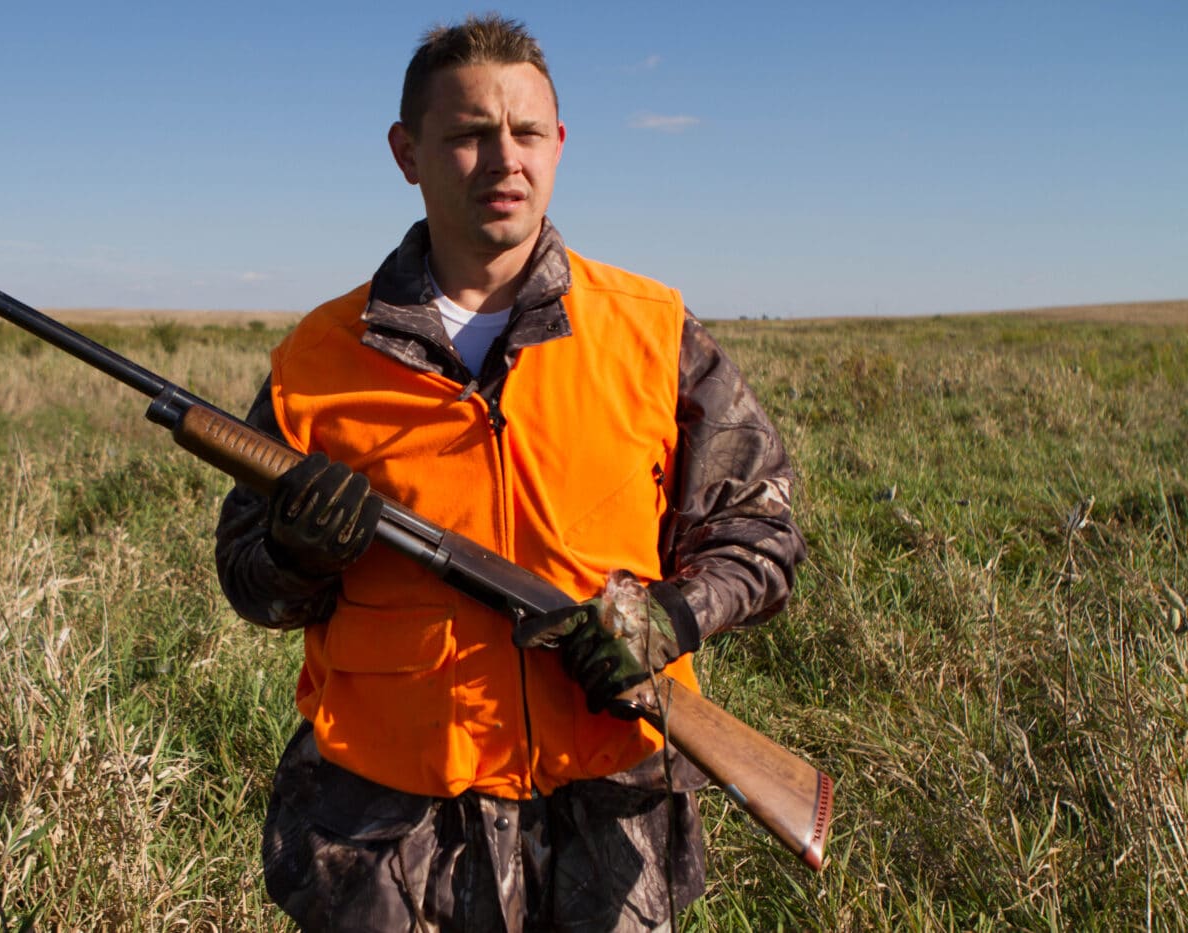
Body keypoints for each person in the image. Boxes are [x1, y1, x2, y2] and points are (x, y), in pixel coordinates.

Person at [215, 14, 805, 932]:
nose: (504, 160)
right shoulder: (319, 355)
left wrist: (671, 618)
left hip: (611, 813)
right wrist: (297, 551)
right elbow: (248, 579)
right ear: (406, 153)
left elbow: (761, 529)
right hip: (388, 831)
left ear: (560, 145)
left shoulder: (651, 329)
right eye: (466, 135)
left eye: (526, 132)